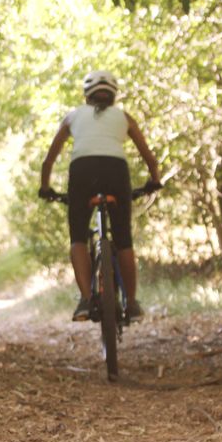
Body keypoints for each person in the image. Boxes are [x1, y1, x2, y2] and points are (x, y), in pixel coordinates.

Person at [38, 70, 162, 322]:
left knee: (78, 238)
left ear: (87, 96)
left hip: (82, 171)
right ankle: (133, 303)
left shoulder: (73, 116)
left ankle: (85, 300)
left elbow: (49, 159)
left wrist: (45, 187)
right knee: (124, 240)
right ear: (113, 96)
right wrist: (154, 180)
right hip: (116, 171)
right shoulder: (124, 117)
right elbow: (149, 157)